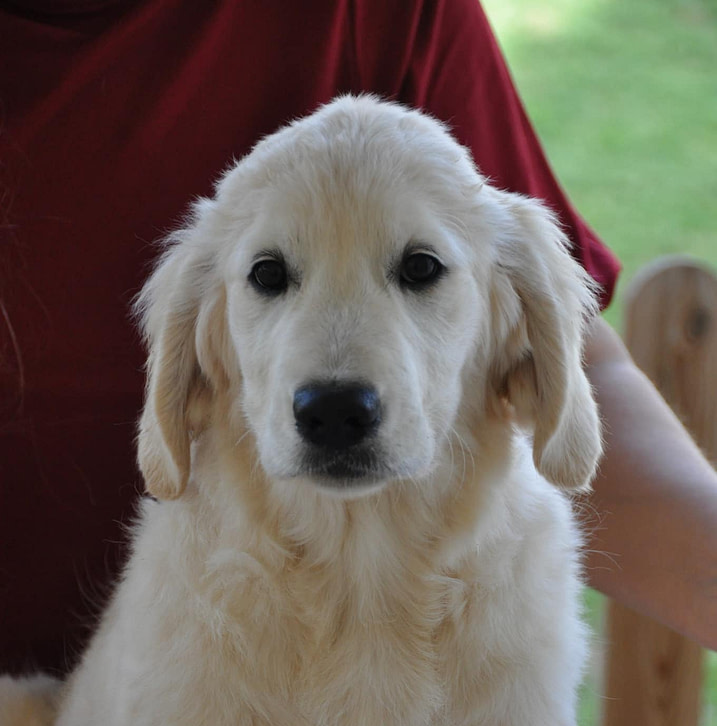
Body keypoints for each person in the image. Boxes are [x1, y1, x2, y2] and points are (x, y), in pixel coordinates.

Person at [1, 0, 716, 678]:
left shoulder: (378, 12)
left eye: (420, 268)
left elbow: (555, 357)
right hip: (171, 692)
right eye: (270, 275)